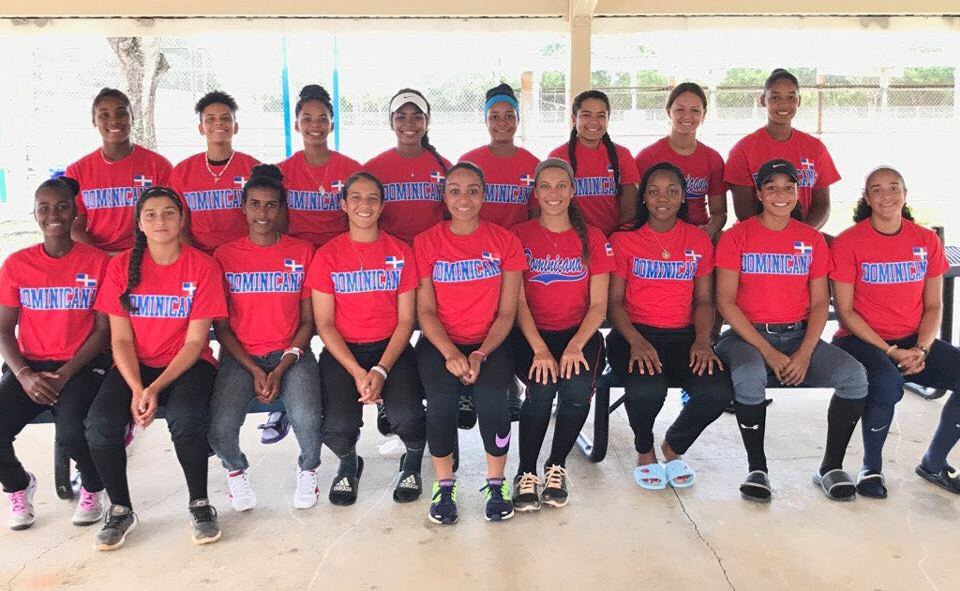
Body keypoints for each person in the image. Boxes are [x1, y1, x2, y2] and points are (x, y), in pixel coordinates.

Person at [714, 159, 867, 503]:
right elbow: (725, 302)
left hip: (798, 335)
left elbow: (818, 305)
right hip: (746, 336)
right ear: (758, 193)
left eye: (789, 187)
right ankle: (758, 469)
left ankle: (830, 467)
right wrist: (769, 351)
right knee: (750, 376)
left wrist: (804, 353)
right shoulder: (736, 237)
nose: (780, 194)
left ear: (798, 193)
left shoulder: (811, 240)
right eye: (771, 187)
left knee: (854, 376)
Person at [86, 186, 227, 549]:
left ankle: (200, 503)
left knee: (187, 417)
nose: (160, 220)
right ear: (139, 223)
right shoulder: (119, 268)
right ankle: (120, 508)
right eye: (151, 214)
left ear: (182, 219)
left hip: (188, 364)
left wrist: (155, 388)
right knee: (100, 424)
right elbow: (120, 340)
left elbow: (196, 343)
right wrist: (137, 387)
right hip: (136, 365)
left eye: (169, 212)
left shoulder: (202, 267)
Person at [831, 166, 960, 497]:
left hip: (912, 341)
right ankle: (870, 469)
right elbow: (845, 312)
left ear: (905, 194)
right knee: (886, 382)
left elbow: (934, 306)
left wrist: (922, 349)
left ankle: (934, 462)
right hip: (860, 340)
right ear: (866, 198)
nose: (886, 195)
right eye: (877, 189)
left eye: (893, 188)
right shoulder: (849, 242)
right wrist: (890, 351)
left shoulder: (925, 240)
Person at [606, 162, 733, 490]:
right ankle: (645, 449)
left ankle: (673, 447)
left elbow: (705, 301)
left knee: (716, 391)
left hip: (684, 337)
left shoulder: (698, 240)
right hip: (633, 334)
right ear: (644, 198)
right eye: (654, 191)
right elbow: (614, 302)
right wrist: (635, 340)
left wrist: (703, 341)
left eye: (672, 191)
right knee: (648, 389)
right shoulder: (625, 240)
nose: (663, 198)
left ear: (682, 198)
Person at [414, 162, 526, 524]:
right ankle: (444, 485)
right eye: (456, 190)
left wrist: (479, 353)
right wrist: (450, 353)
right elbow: (426, 311)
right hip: (440, 343)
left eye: (473, 190)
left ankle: (497, 483)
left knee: (494, 402)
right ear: (444, 196)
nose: (464, 198)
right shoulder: (427, 242)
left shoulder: (505, 241)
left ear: (484, 195)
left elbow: (507, 313)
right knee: (441, 405)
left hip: (490, 343)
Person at [207, 164, 323, 512]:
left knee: (307, 417)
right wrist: (256, 370)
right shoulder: (224, 256)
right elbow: (222, 329)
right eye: (255, 204)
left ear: (283, 209)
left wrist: (283, 364)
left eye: (271, 205)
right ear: (243, 208)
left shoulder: (303, 253)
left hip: (292, 353)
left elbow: (308, 322)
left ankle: (308, 469)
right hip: (240, 358)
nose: (263, 212)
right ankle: (236, 472)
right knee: (221, 426)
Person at [309, 172, 426, 506]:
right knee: (336, 425)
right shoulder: (327, 256)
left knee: (408, 416)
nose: (365, 205)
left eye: (373, 197)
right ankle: (349, 462)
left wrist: (381, 369)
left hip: (391, 349)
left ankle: (413, 459)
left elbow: (406, 320)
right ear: (344, 204)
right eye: (356, 197)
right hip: (343, 352)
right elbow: (325, 324)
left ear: (382, 205)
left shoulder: (399, 251)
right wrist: (359, 373)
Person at [0, 177, 110, 530]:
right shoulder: (17, 265)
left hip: (82, 364)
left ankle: (93, 486)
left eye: (62, 206)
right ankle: (19, 485)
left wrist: (64, 374)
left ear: (75, 211)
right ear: (34, 214)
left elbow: (102, 331)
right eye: (44, 208)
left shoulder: (98, 263)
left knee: (73, 431)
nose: (54, 215)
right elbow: (3, 329)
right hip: (30, 367)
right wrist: (24, 375)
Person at [511, 159, 613, 511]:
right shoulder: (520, 235)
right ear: (535, 192)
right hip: (531, 335)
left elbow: (598, 306)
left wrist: (574, 346)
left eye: (560, 186)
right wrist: (539, 349)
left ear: (572, 190)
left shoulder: (594, 238)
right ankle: (525, 472)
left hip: (579, 335)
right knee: (540, 390)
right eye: (545, 186)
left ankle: (556, 465)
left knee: (575, 387)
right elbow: (518, 303)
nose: (553, 194)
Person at [725, 69, 839, 230]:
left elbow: (822, 206)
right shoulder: (743, 149)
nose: (784, 104)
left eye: (791, 97)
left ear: (799, 101)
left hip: (802, 237)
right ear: (763, 100)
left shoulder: (815, 148)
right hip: (758, 237)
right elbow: (744, 211)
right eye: (775, 97)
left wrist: (801, 234)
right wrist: (775, 238)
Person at [68, 88, 172, 254]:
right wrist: (103, 259)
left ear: (132, 118)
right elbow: (74, 228)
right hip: (99, 256)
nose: (114, 121)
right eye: (104, 115)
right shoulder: (77, 171)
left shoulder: (158, 166)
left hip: (147, 255)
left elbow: (169, 220)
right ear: (94, 121)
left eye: (121, 113)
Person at [169, 90, 260, 254]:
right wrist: (197, 260)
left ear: (235, 127)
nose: (218, 123)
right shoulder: (182, 171)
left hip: (244, 256)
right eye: (210, 119)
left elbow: (262, 220)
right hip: (200, 256)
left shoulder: (254, 169)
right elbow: (179, 226)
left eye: (225, 118)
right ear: (201, 128)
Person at [635, 82, 726, 240]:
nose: (687, 116)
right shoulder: (648, 156)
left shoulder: (712, 158)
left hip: (698, 233)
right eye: (680, 109)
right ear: (668, 112)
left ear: (704, 115)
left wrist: (707, 231)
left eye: (695, 110)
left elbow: (719, 213)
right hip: (659, 233)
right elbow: (636, 208)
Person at [277, 84, 362, 248]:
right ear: (296, 125)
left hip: (340, 250)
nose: (315, 125)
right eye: (307, 119)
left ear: (332, 126)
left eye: (323, 119)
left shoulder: (352, 170)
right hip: (297, 254)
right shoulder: (282, 171)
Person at [364, 88, 451, 245]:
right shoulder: (372, 169)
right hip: (389, 253)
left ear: (427, 120)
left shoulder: (444, 167)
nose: (409, 123)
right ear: (391, 122)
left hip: (433, 249)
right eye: (401, 117)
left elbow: (452, 216)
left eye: (417, 117)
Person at [548, 90, 640, 236]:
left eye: (601, 116)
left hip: (613, 238)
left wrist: (617, 236)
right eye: (586, 115)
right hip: (573, 237)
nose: (593, 122)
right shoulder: (558, 156)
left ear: (608, 119)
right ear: (574, 118)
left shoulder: (622, 155)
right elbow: (552, 204)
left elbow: (629, 204)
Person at [459, 83, 539, 229]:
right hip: (478, 243)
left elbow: (536, 213)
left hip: (516, 244)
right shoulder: (469, 162)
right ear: (486, 121)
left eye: (509, 116)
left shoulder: (532, 164)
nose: (502, 122)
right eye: (494, 117)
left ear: (517, 120)